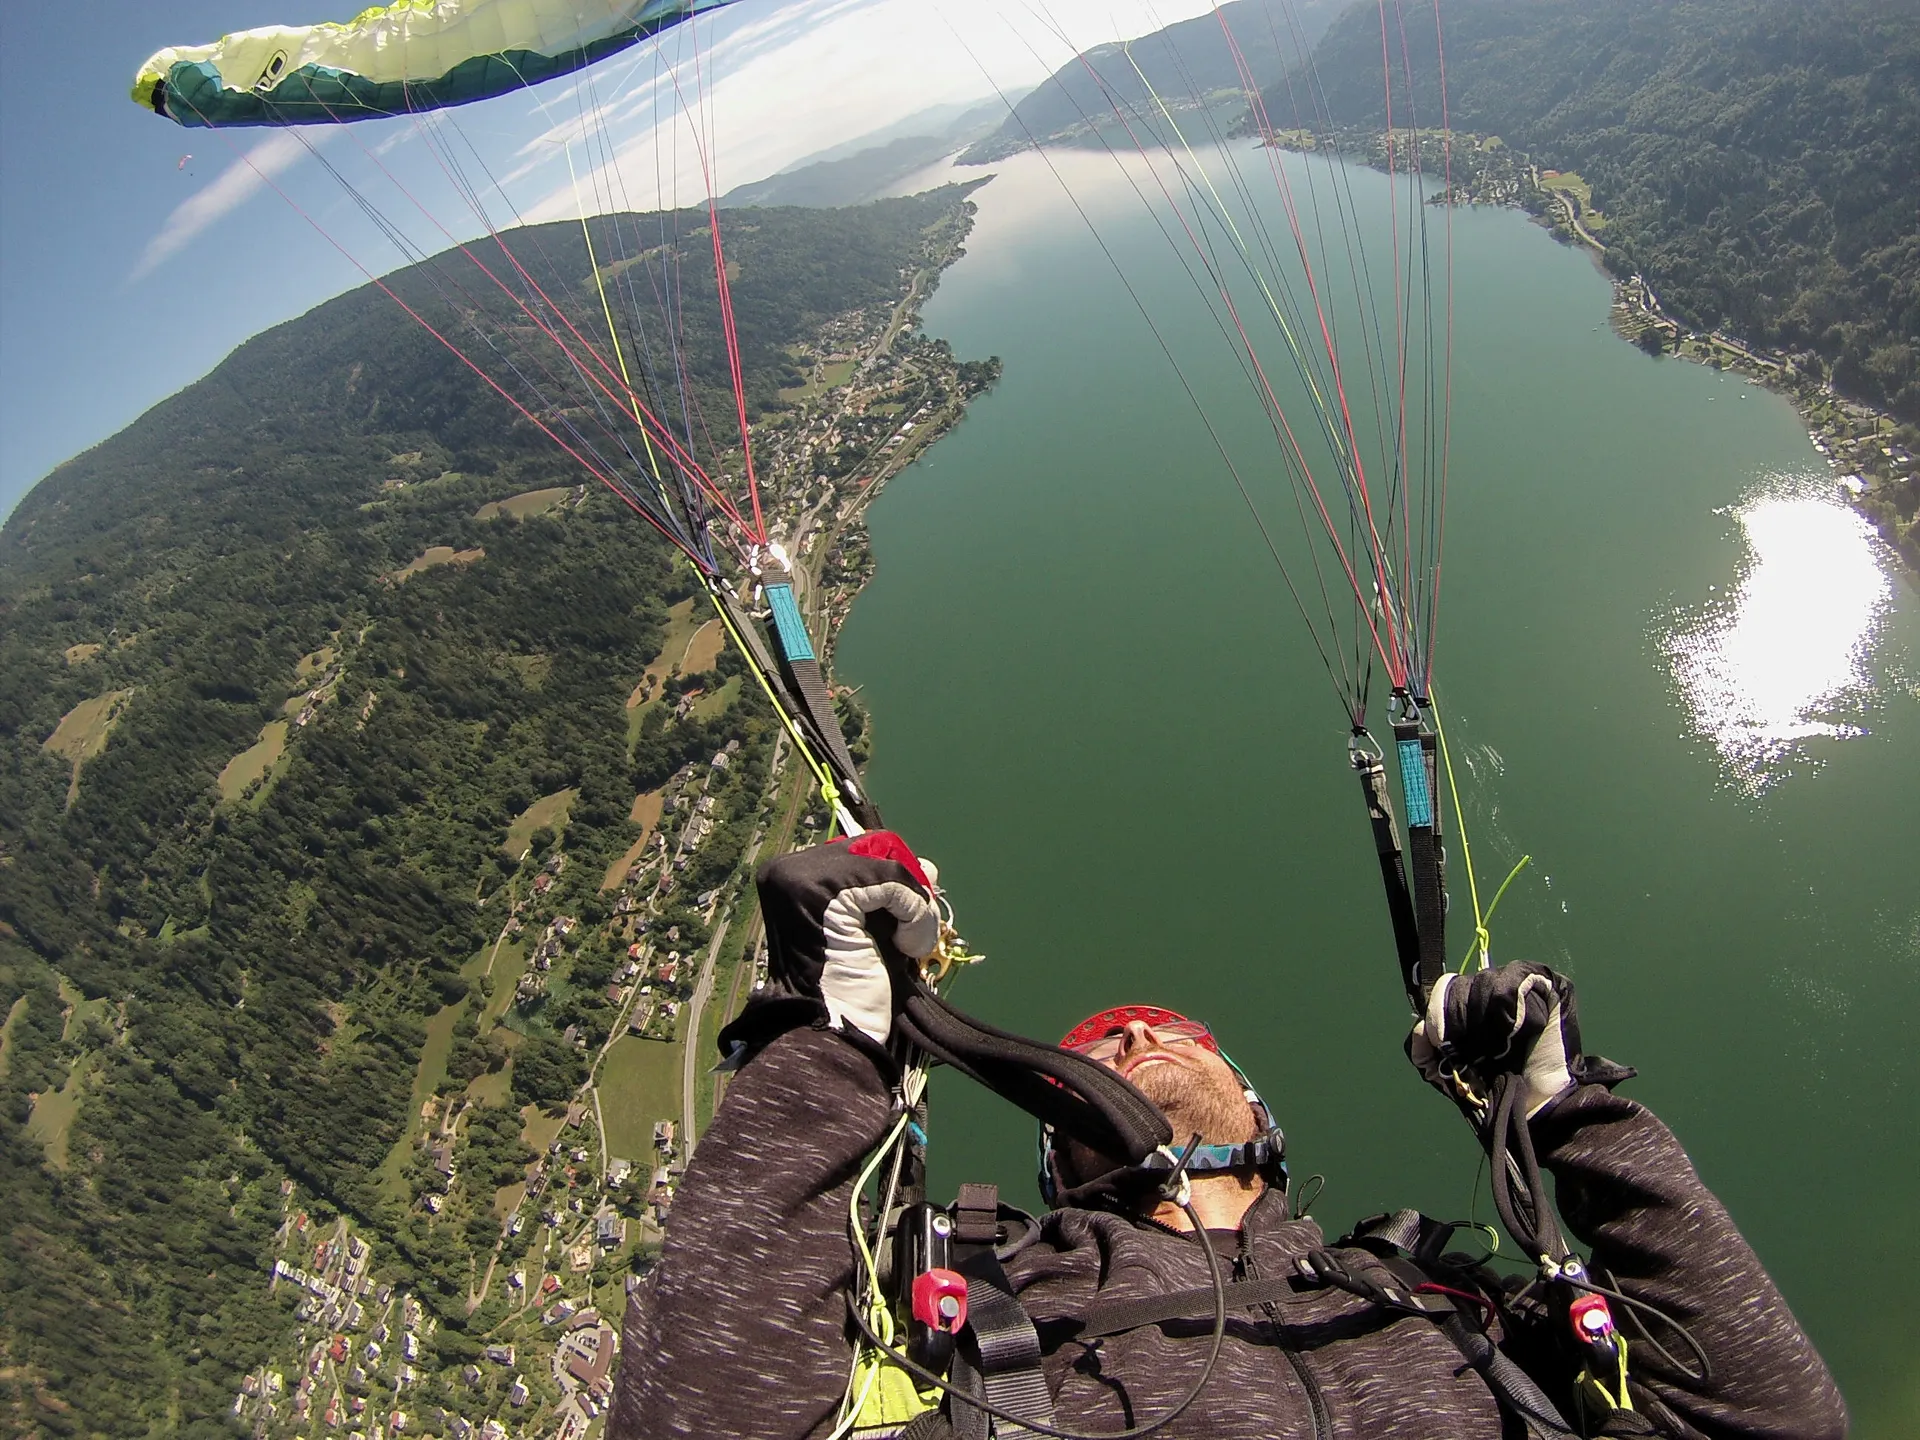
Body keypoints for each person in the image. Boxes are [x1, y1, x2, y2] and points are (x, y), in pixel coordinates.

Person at [609, 833, 1845, 1439]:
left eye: (1170, 1035)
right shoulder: (981, 1316)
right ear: (1060, 1153)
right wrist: (831, 1048)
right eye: (1104, 1049)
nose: (1141, 1034)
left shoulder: (1438, 1296)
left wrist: (1565, 1107)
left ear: (1261, 1120)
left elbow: (1767, 1416)